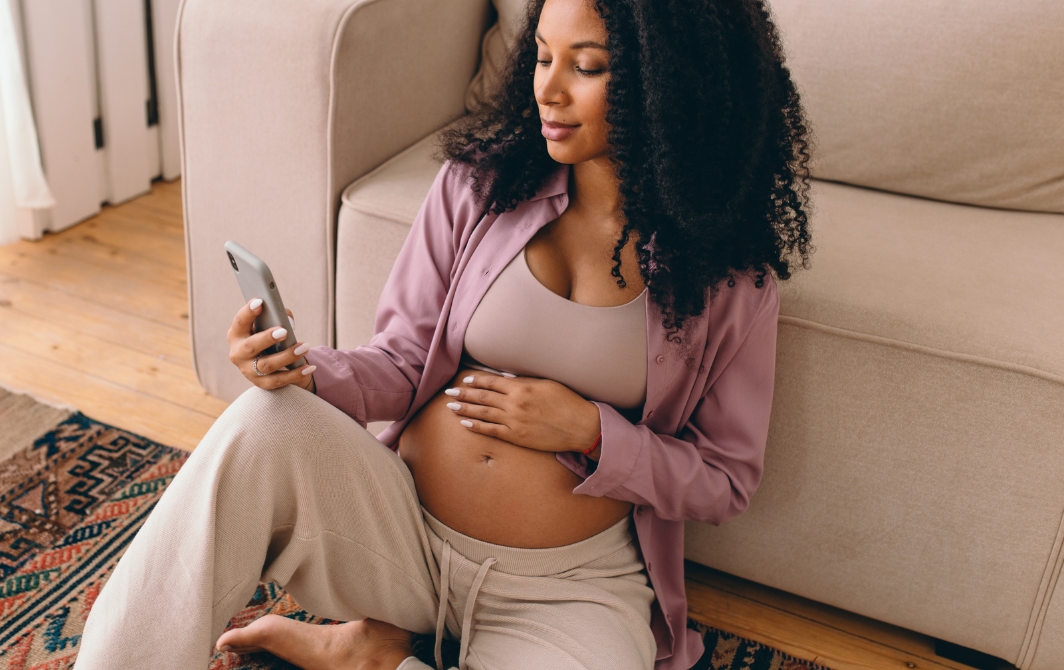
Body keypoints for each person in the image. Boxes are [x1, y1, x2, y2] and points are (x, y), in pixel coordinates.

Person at [74, 0, 811, 667]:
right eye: (543, 56)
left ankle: (374, 655)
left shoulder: (728, 281)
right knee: (265, 423)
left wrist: (590, 430)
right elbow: (399, 360)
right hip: (400, 537)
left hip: (566, 589)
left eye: (586, 66)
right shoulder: (479, 188)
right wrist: (304, 371)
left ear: (670, 82)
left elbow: (725, 480)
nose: (548, 90)